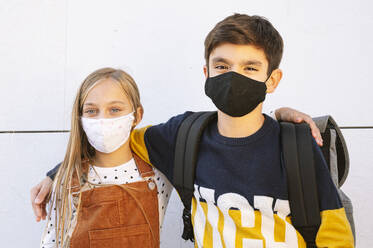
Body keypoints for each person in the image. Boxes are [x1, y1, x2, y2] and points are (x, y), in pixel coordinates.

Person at [31, 14, 333, 248]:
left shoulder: (297, 146)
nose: (234, 77)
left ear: (273, 79)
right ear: (206, 73)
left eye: (250, 68)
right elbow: (112, 139)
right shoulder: (182, 136)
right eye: (222, 66)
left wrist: (281, 117)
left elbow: (335, 231)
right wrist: (57, 172)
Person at [39, 68, 172, 248]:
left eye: (115, 109)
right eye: (92, 111)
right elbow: (52, 242)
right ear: (81, 119)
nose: (103, 120)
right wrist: (56, 173)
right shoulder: (67, 181)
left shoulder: (159, 175)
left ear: (137, 116)